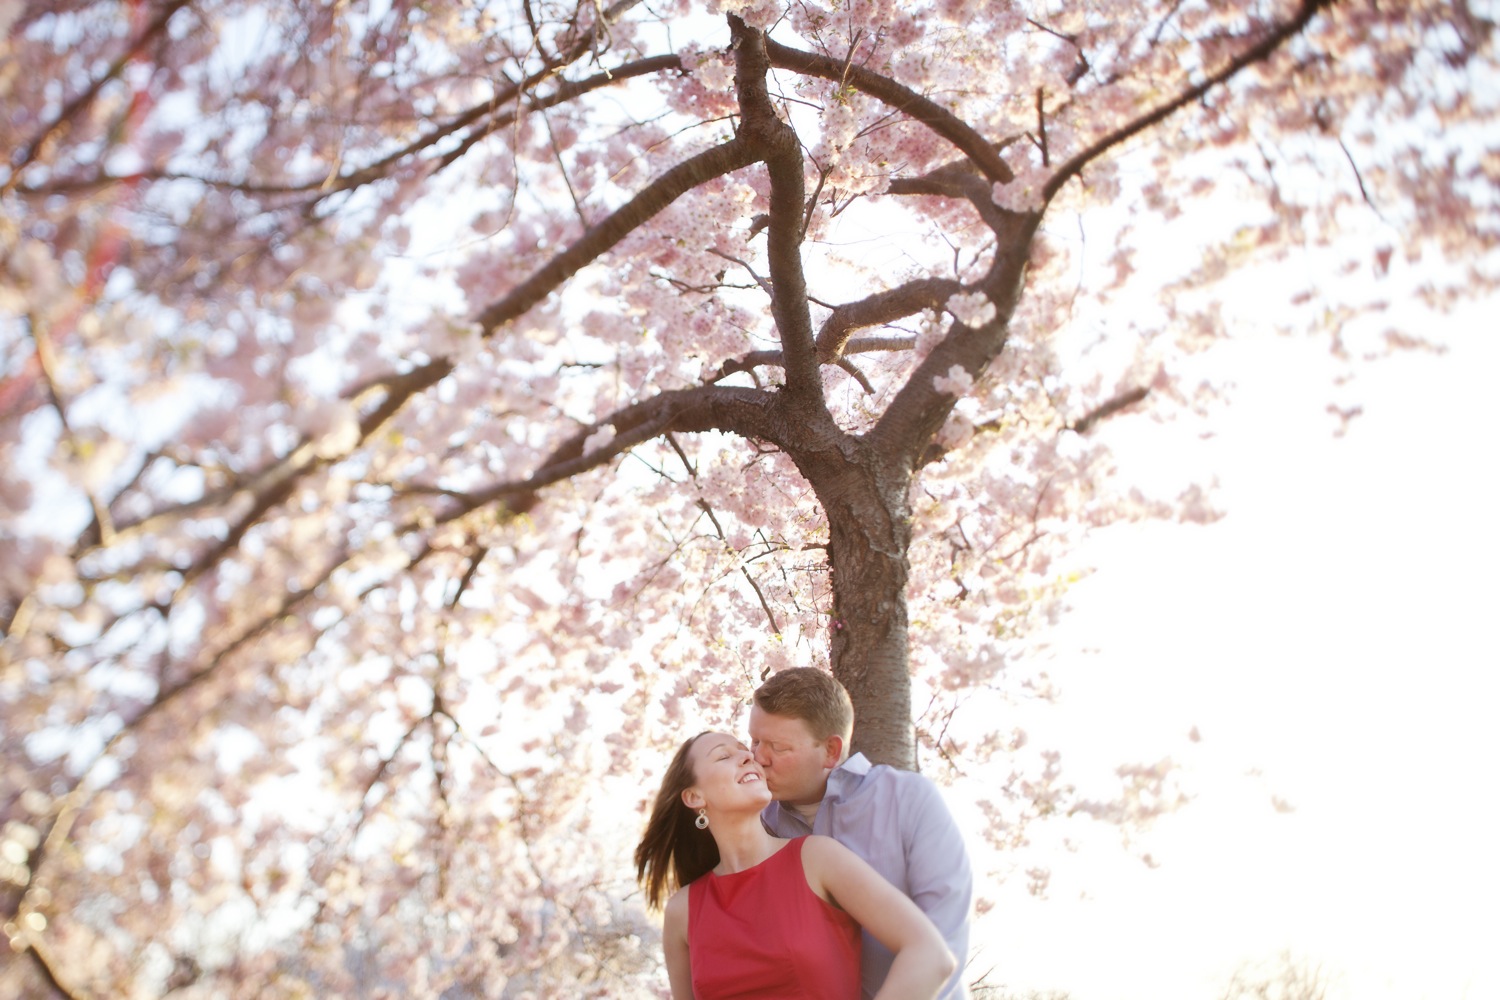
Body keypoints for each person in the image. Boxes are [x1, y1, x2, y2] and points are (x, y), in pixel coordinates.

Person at [635, 731, 956, 1000]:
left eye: (746, 751)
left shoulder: (818, 859)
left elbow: (930, 953)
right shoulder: (683, 912)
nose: (749, 757)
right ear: (694, 797)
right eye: (723, 756)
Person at [750, 668, 973, 1000]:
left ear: (830, 750)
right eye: (754, 740)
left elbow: (944, 943)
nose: (758, 758)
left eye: (777, 747)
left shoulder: (908, 800)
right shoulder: (758, 826)